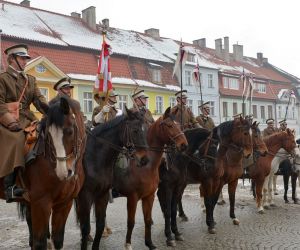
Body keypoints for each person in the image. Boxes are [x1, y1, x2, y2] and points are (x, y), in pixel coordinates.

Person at [0, 44, 49, 202]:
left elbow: (39, 101)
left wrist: (53, 112)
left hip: (27, 118)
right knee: (17, 139)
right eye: (22, 58)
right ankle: (10, 186)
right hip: (7, 120)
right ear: (12, 60)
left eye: (26, 58)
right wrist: (10, 122)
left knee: (46, 136)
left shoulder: (30, 80)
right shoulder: (3, 79)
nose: (25, 61)